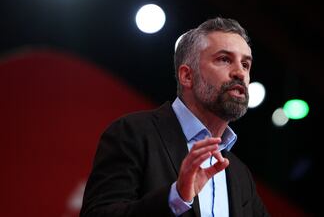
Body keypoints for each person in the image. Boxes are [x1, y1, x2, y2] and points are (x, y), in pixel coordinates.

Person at [80, 17, 270, 217]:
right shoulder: (133, 133)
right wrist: (176, 197)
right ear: (187, 76)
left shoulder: (240, 175)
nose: (240, 73)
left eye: (246, 64)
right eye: (224, 59)